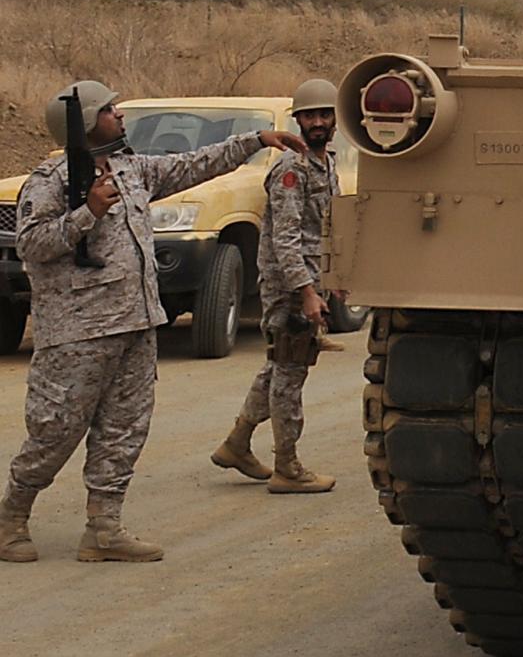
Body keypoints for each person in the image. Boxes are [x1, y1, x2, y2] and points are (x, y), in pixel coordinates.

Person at [1, 81, 307, 563]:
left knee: (124, 430)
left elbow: (190, 165)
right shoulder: (50, 181)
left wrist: (253, 142)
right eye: (108, 110)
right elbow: (31, 245)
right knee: (55, 431)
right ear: (83, 123)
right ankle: (12, 518)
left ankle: (104, 528)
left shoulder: (131, 169)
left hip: (136, 326)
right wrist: (86, 214)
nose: (119, 115)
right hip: (77, 335)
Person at [211, 79, 341, 494]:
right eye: (310, 116)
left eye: (324, 114)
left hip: (308, 281)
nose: (318, 122)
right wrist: (305, 292)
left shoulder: (325, 163)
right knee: (289, 373)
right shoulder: (292, 169)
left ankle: (237, 443)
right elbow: (285, 240)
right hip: (289, 287)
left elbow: (326, 227)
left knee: (279, 367)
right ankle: (287, 466)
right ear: (297, 120)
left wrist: (332, 281)